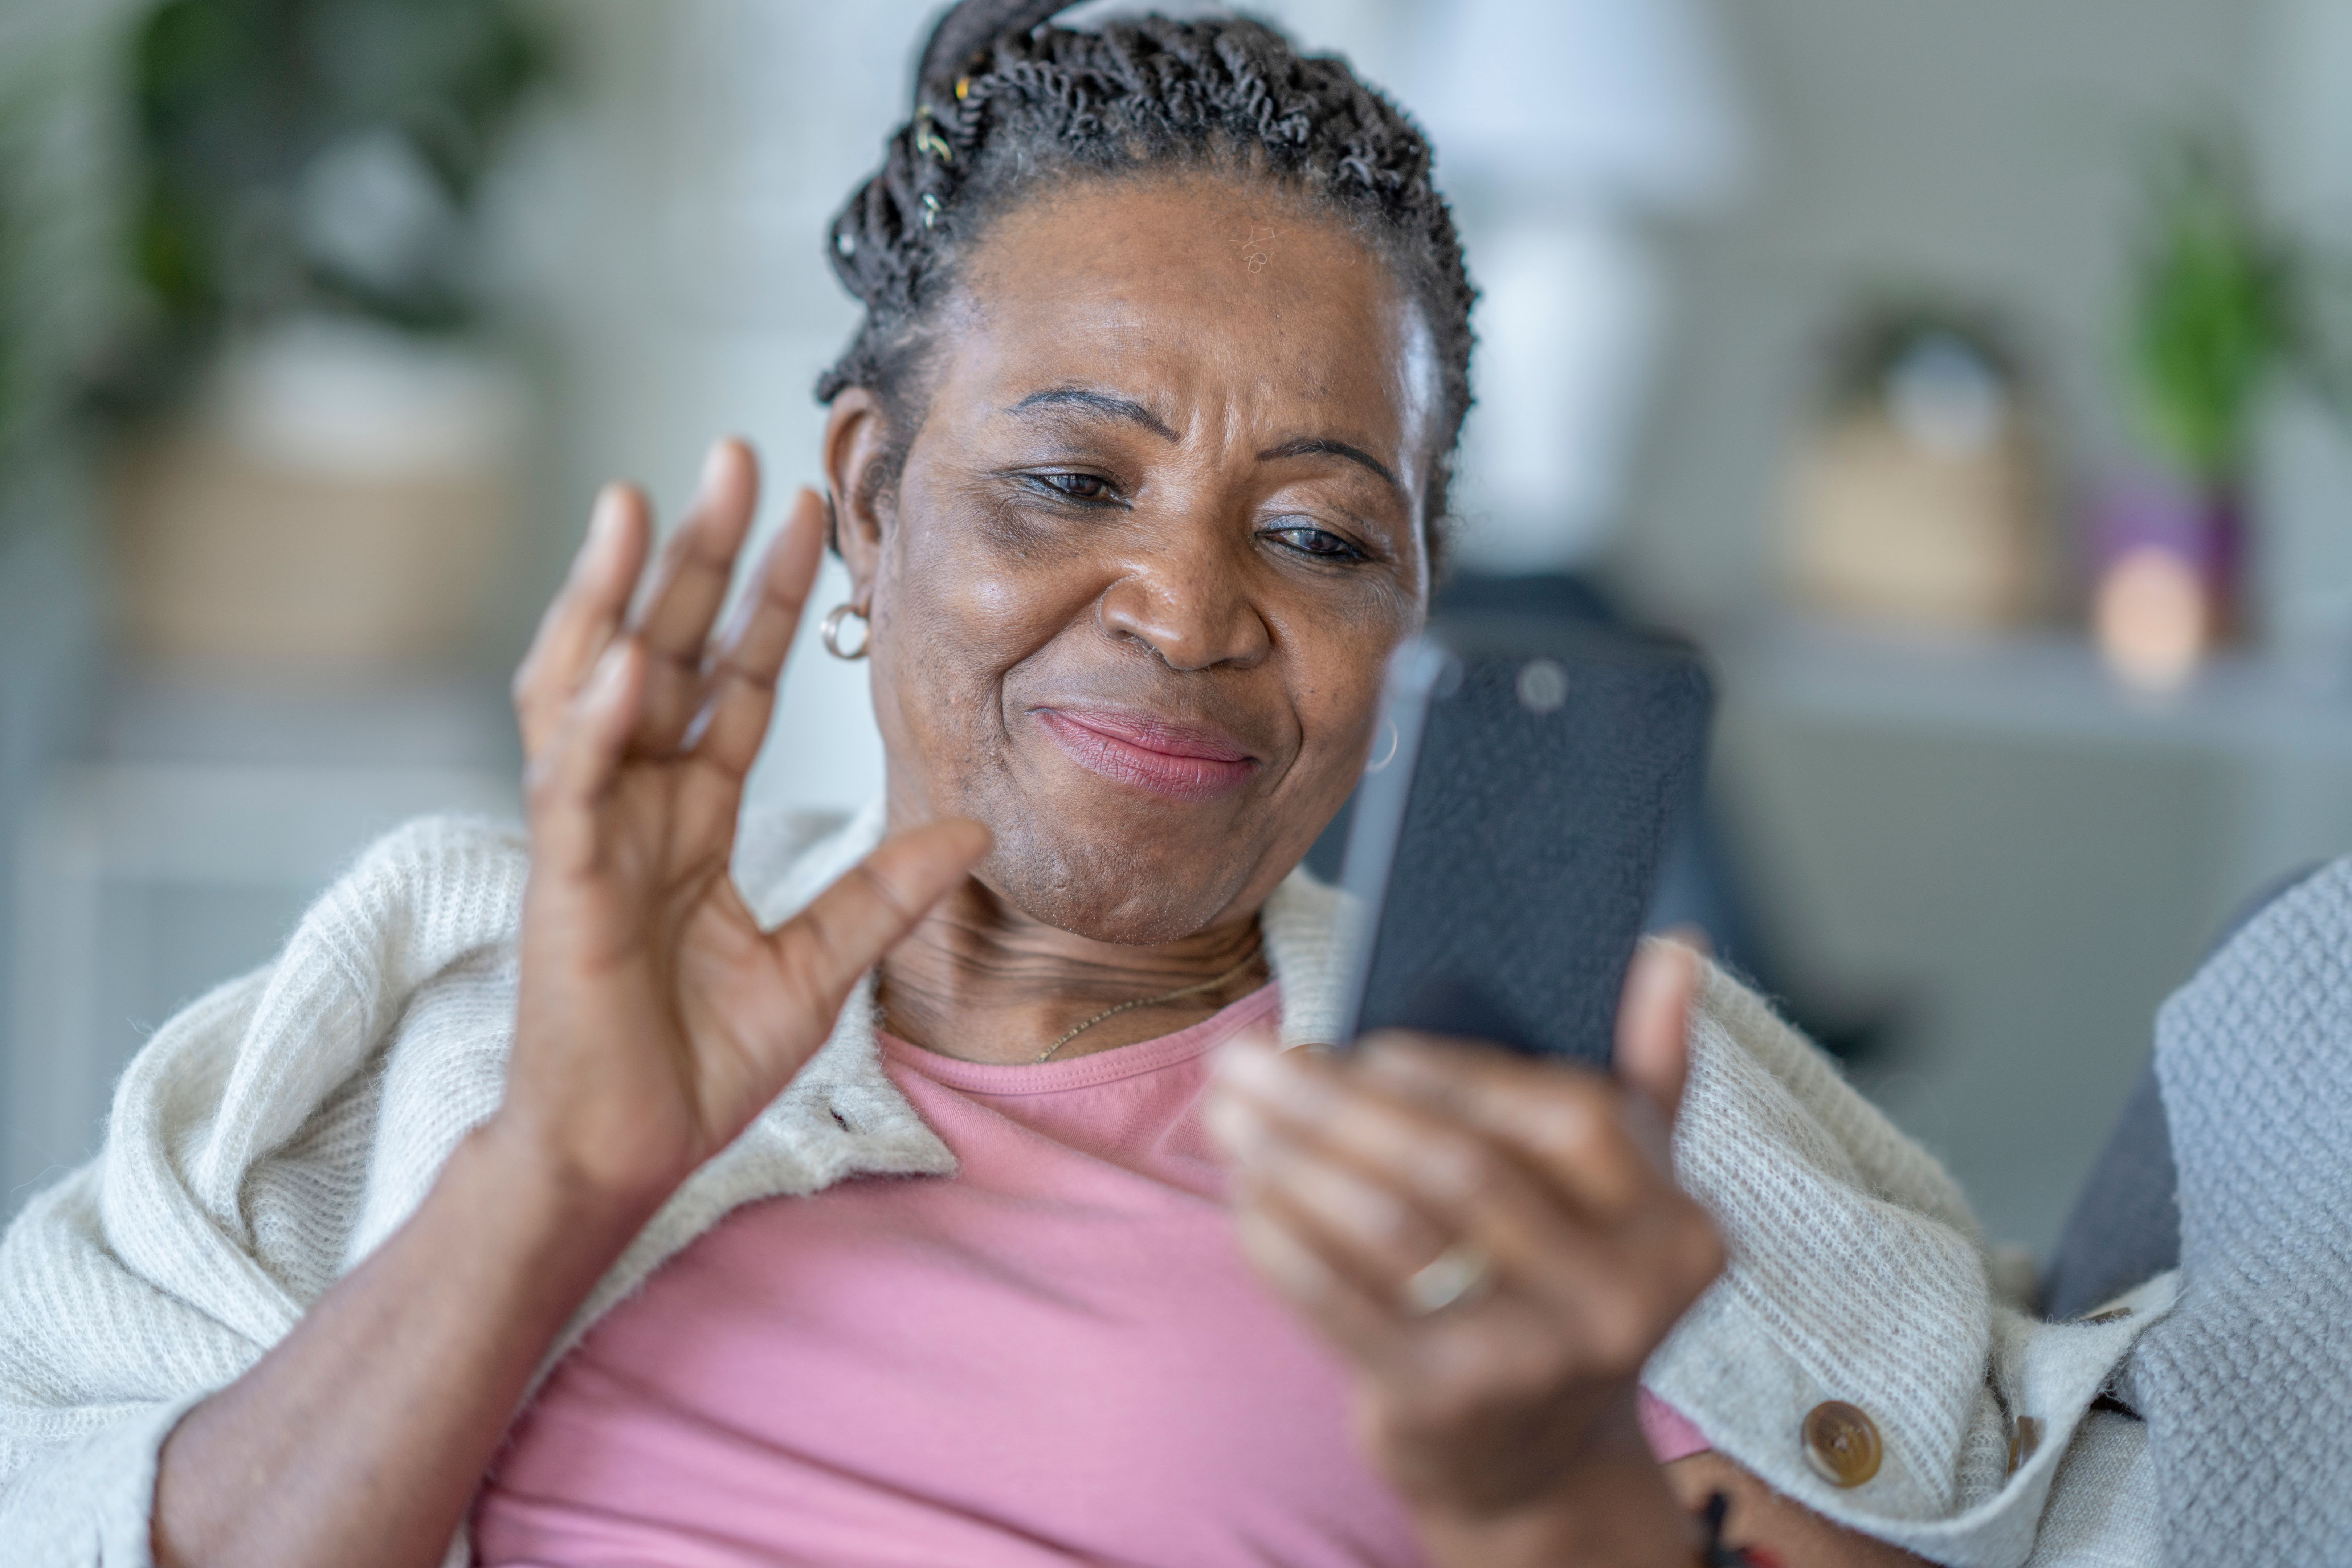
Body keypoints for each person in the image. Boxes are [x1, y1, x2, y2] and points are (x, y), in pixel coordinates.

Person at [0, 5, 2167, 1565]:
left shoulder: (1596, 1155)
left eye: (1323, 536)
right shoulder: (456, 990)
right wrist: (544, 1183)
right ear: (868, 501)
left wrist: (1548, 1506)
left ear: (1417, 615)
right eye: (1068, 482)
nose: (1189, 608)